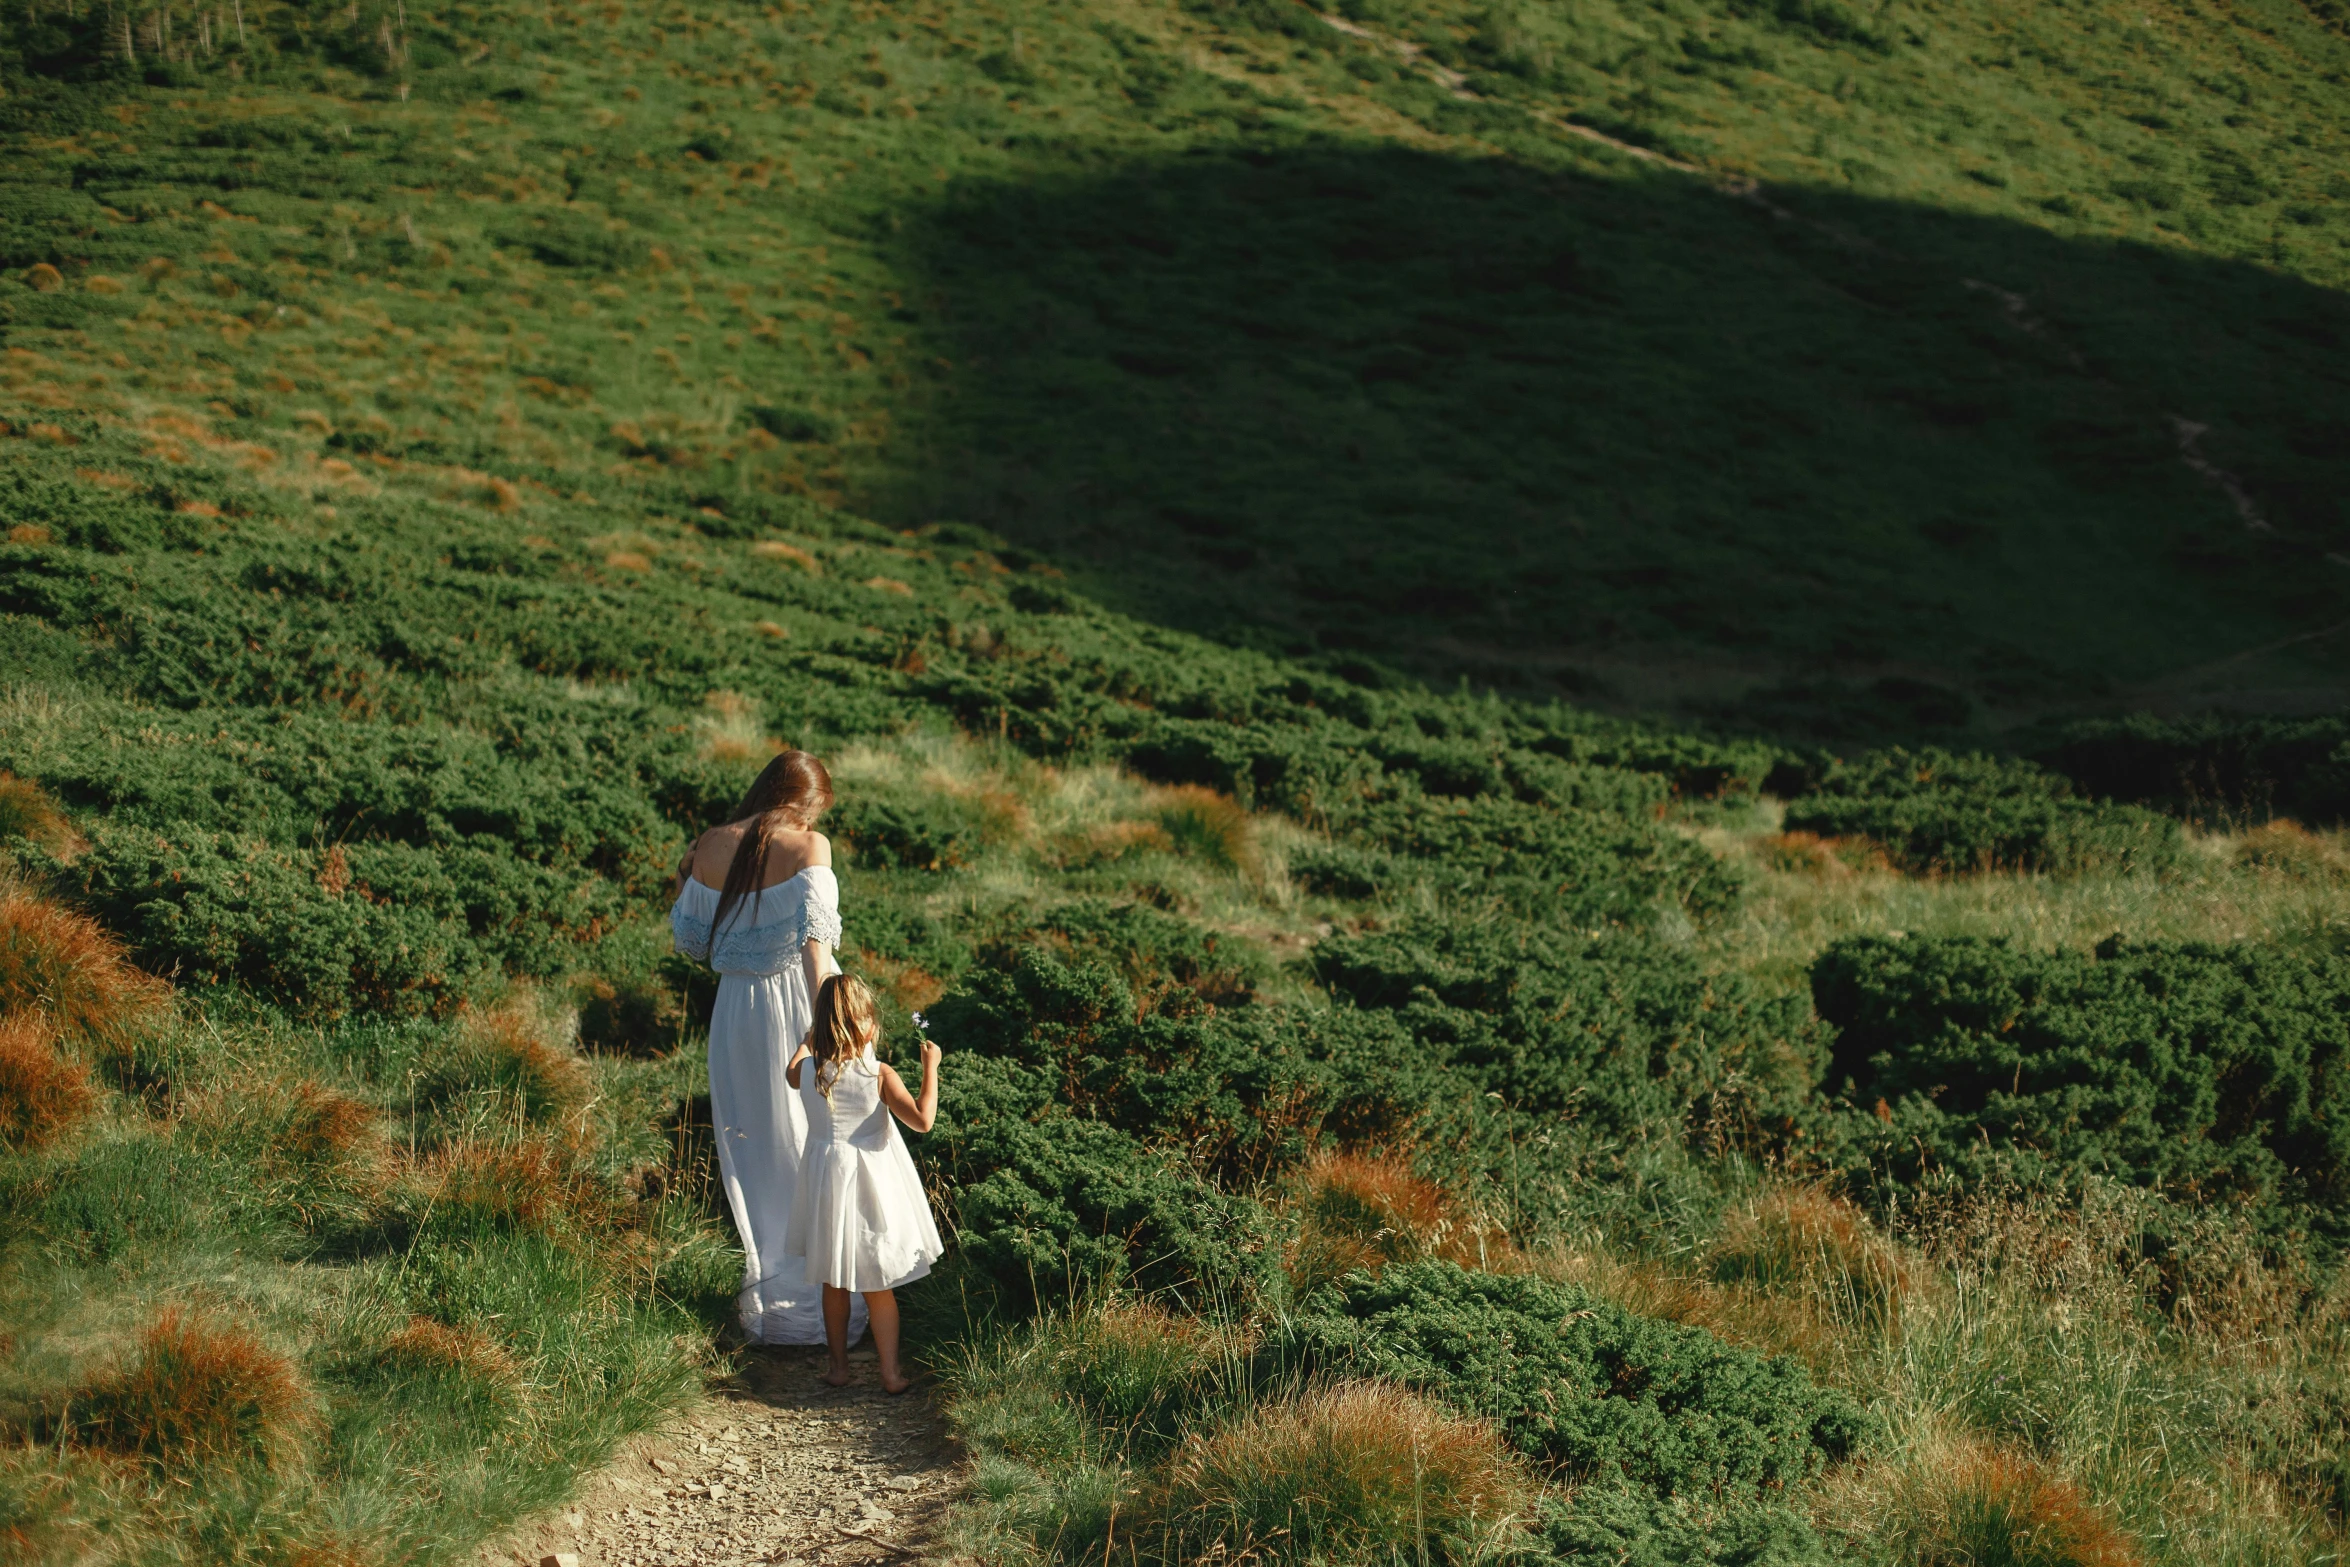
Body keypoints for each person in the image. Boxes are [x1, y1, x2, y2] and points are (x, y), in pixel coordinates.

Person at [669, 750, 864, 1348]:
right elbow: (815, 948)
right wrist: (828, 1027)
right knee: (816, 1147)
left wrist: (686, 876)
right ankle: (824, 1301)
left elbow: (691, 944)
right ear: (805, 802)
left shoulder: (711, 843)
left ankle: (777, 1303)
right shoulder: (810, 847)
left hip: (734, 1015)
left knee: (754, 1150)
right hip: (795, 1009)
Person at [785, 973, 945, 1393]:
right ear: (867, 1026)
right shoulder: (879, 1075)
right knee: (878, 1284)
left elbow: (789, 1070)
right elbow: (923, 1121)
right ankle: (890, 1374)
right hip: (872, 1188)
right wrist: (931, 1069)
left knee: (833, 1282)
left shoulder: (808, 1072)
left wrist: (808, 1041)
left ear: (821, 1027)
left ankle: (839, 1368)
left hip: (826, 1185)